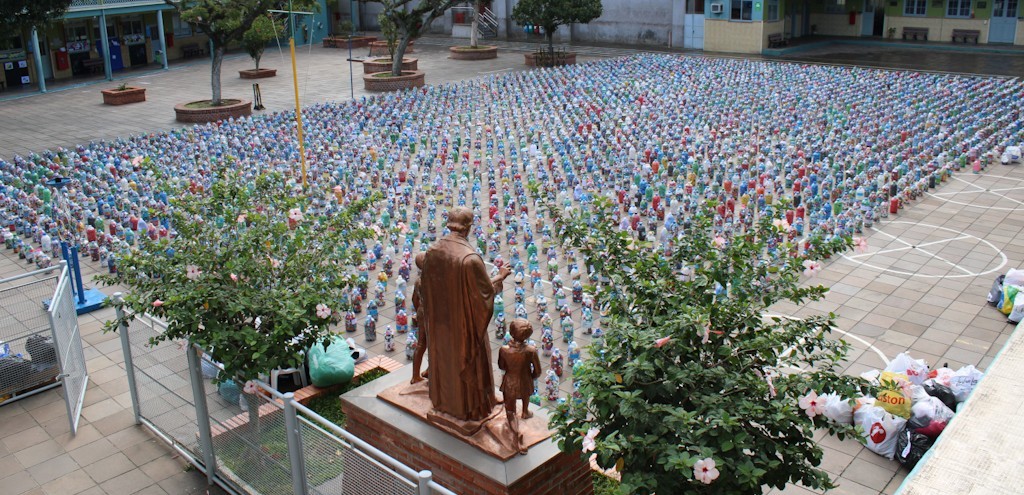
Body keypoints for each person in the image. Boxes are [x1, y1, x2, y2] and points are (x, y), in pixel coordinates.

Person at [420, 206, 511, 421]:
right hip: (464, 326)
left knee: (444, 361)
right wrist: (500, 276)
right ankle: (471, 409)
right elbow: (484, 293)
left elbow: (426, 287)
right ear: (468, 227)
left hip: (440, 323)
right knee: (470, 361)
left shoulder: (432, 251)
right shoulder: (470, 259)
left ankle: (445, 403)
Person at [498, 319, 542, 455]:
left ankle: (515, 431)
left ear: (511, 333)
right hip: (525, 380)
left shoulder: (504, 350)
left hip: (510, 382)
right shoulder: (531, 351)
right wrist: (531, 376)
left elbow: (501, 366)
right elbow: (538, 371)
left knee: (510, 410)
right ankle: (525, 411)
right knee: (525, 395)